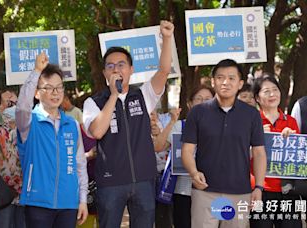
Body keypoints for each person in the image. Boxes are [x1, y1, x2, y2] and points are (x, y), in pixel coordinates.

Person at [83, 20, 174, 228]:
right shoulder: (93, 102)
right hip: (110, 183)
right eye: (110, 66)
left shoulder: (143, 95)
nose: (116, 69)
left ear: (131, 69)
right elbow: (96, 131)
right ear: (105, 72)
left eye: (121, 64)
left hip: (143, 180)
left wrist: (167, 38)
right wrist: (113, 96)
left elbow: (163, 71)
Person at [181, 59, 267, 228]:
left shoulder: (251, 114)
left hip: (239, 192)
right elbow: (187, 150)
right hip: (204, 191)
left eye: (231, 78)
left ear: (240, 83)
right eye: (220, 77)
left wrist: (259, 186)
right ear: (213, 82)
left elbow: (259, 153)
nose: (225, 82)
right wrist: (193, 172)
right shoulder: (198, 112)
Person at [16, 52, 88, 228]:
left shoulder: (71, 124)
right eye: (48, 88)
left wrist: (83, 200)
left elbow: (79, 163)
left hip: (68, 204)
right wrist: (36, 71)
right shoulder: (29, 121)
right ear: (37, 93)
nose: (55, 93)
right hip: (38, 202)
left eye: (59, 87)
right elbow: (22, 106)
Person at [153, 85, 214, 228]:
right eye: (198, 99)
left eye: (207, 99)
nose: (203, 103)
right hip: (183, 189)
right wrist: (172, 121)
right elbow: (158, 147)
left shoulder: (222, 127)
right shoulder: (180, 126)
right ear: (190, 104)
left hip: (212, 189)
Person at [249, 75, 302, 228]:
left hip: (287, 190)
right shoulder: (251, 122)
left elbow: (298, 157)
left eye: (275, 90)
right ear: (257, 98)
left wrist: (292, 140)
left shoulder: (290, 121)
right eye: (266, 91)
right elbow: (241, 155)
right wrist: (259, 139)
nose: (272, 94)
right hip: (259, 190)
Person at [0, 89, 25, 228]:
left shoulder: (22, 118)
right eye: (6, 93)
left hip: (22, 181)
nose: (10, 96)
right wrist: (3, 106)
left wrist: (19, 104)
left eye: (13, 93)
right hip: (1, 182)